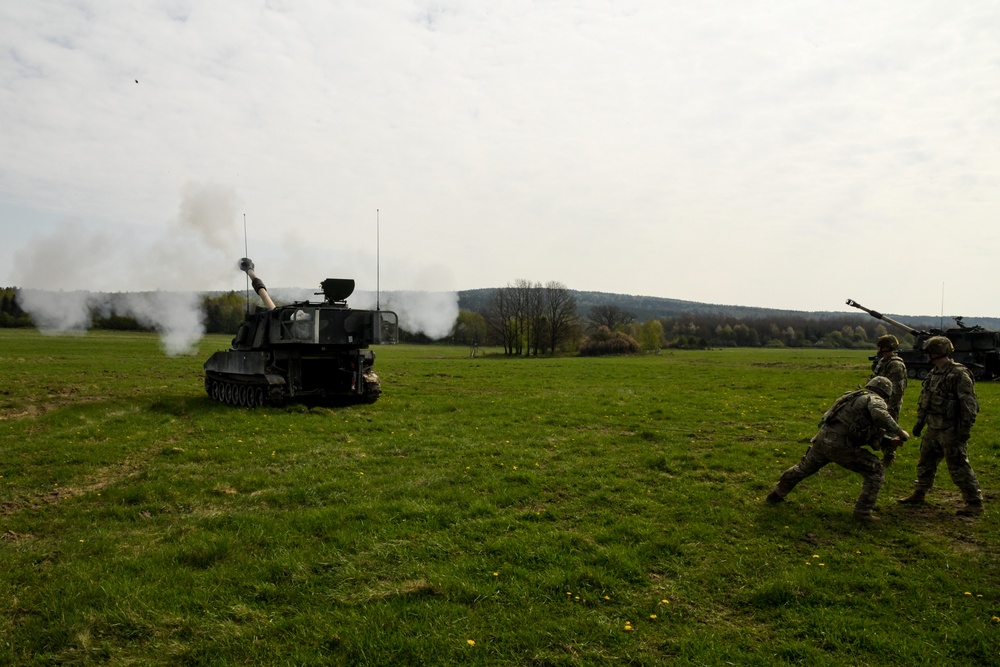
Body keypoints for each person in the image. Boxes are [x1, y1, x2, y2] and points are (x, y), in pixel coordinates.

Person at [766, 377, 909, 522]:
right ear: (886, 393)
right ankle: (863, 512)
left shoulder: (854, 397)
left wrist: (889, 441)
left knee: (803, 468)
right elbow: (879, 414)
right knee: (876, 471)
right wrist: (900, 432)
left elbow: (859, 429)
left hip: (823, 440)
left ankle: (777, 494)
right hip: (841, 446)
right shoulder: (875, 400)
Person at [897, 336, 984, 516]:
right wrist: (919, 424)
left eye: (929, 351)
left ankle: (974, 502)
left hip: (951, 430)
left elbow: (969, 406)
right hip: (933, 428)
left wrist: (964, 431)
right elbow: (926, 401)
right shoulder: (934, 373)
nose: (926, 355)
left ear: (937, 352)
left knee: (959, 466)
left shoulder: (959, 374)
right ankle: (919, 493)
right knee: (925, 463)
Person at [870, 334, 908, 465]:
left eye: (880, 345)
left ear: (886, 347)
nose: (878, 348)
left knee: (890, 429)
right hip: (879, 400)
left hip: (890, 403)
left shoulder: (896, 365)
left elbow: (897, 389)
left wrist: (888, 405)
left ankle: (889, 456)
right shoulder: (883, 361)